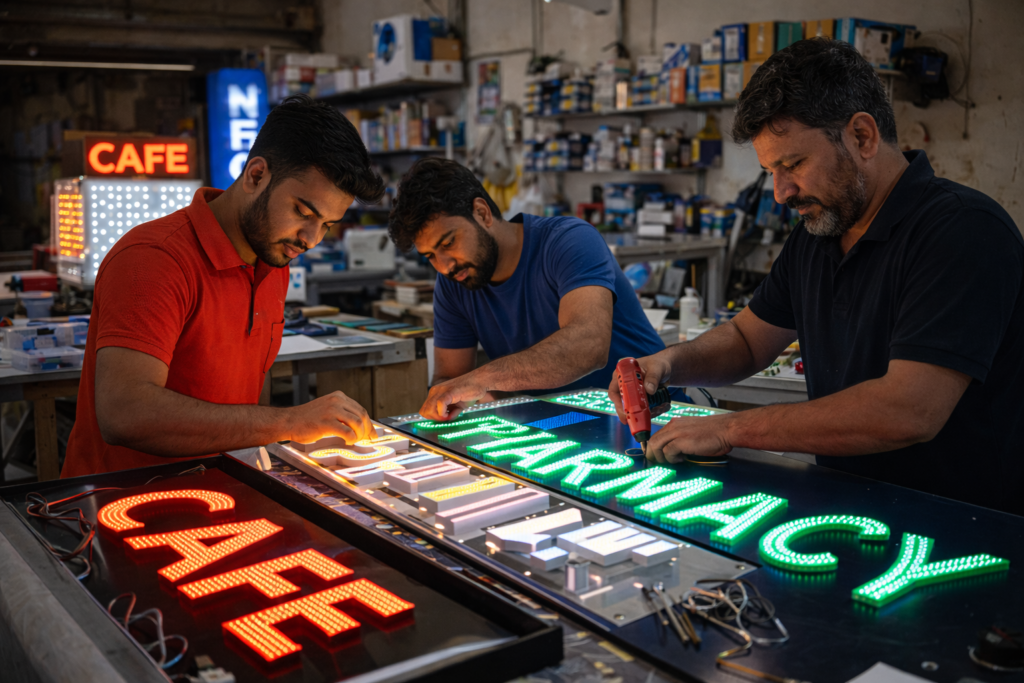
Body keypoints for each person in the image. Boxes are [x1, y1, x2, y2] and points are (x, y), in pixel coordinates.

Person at [608, 38, 1024, 516]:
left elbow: (909, 410)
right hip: (845, 507)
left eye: (793, 165)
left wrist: (730, 428)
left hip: (965, 530)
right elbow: (747, 341)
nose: (781, 192)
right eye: (770, 172)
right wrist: (667, 364)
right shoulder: (818, 233)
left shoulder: (962, 230)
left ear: (863, 137)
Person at [62, 95, 383, 478]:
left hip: (220, 493)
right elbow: (124, 413)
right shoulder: (154, 258)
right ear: (256, 175)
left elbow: (248, 400)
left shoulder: (273, 259)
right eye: (304, 212)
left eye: (327, 225)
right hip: (119, 506)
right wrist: (289, 422)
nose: (311, 239)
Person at [387, 158, 665, 422]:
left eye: (448, 243)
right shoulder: (453, 282)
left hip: (651, 416)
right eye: (430, 256)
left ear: (482, 213)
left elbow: (588, 345)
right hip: (554, 423)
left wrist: (482, 379)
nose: (444, 265)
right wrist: (462, 399)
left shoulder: (569, 240)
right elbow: (449, 382)